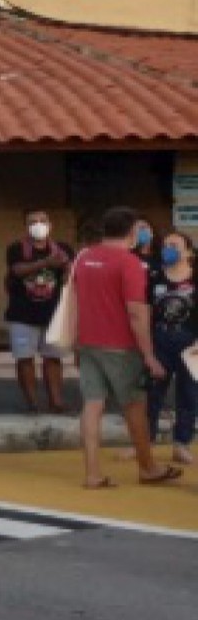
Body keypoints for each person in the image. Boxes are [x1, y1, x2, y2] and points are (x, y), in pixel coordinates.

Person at [73, 207, 177, 488]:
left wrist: (75, 341)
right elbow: (137, 313)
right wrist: (149, 354)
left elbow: (73, 303)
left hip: (88, 342)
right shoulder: (129, 262)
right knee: (134, 407)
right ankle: (148, 467)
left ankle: (92, 473)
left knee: (92, 405)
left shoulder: (84, 259)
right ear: (132, 232)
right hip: (121, 345)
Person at [4, 208, 74, 414]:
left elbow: (69, 277)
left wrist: (67, 266)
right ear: (26, 227)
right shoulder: (16, 248)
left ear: (50, 225)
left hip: (53, 314)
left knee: (53, 358)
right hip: (22, 314)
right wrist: (46, 263)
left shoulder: (62, 248)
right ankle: (32, 402)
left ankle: (56, 401)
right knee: (25, 359)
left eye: (43, 220)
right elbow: (17, 270)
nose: (38, 225)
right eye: (33, 221)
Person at [147, 230, 195, 466]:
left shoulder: (196, 277)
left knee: (189, 394)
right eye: (166, 245)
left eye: (175, 245)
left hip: (190, 344)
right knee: (152, 392)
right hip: (160, 341)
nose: (169, 249)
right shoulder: (154, 276)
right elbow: (145, 312)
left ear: (188, 251)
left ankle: (181, 444)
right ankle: (145, 442)